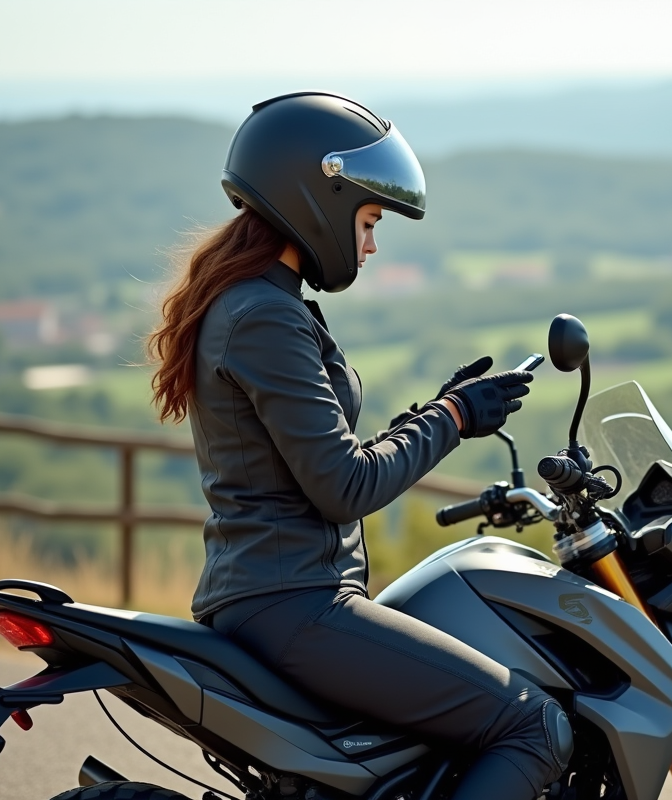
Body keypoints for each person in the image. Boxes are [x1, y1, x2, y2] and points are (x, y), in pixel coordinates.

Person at [147, 92, 571, 800]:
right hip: (296, 605)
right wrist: (455, 419)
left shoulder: (256, 303)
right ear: (318, 197)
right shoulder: (263, 315)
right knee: (534, 727)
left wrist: (435, 410)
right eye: (369, 221)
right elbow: (344, 486)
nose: (371, 245)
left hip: (276, 595)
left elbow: (320, 456)